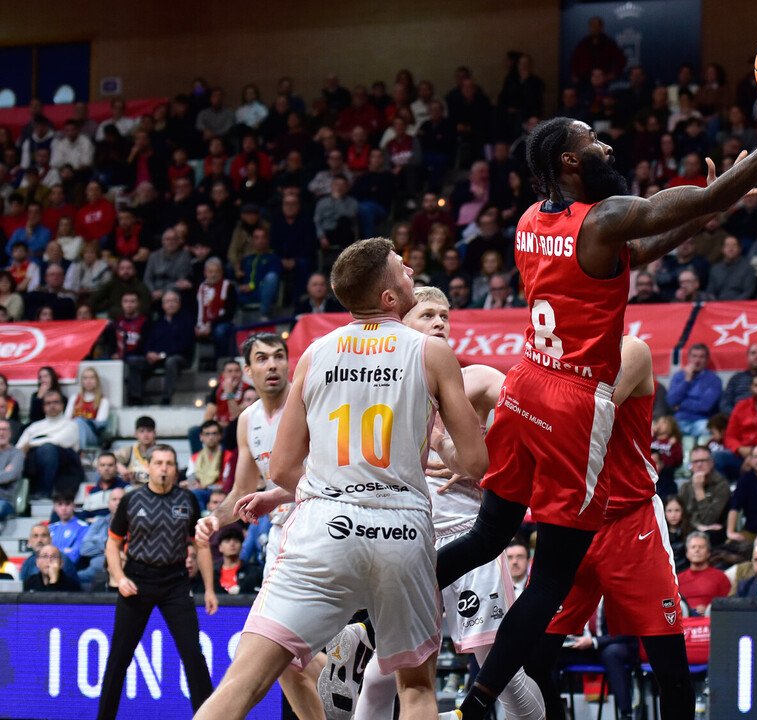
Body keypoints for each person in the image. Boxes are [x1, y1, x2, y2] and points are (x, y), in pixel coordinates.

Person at [434, 82, 757, 720]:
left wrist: (701, 214)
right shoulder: (603, 217)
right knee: (551, 579)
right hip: (570, 402)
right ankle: (479, 703)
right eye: (591, 140)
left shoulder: (534, 222)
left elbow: (639, 246)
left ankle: (391, 601)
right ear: (569, 162)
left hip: (524, 386)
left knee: (488, 534)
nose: (605, 143)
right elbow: (687, 202)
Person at [193, 238, 487, 720]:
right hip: (402, 529)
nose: (411, 269)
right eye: (402, 268)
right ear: (390, 297)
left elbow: (285, 469)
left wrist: (330, 480)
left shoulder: (313, 353)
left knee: (243, 683)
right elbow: (475, 463)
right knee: (415, 690)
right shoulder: (431, 353)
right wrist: (443, 446)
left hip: (324, 526)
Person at [346, 287, 544, 720]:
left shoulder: (475, 378)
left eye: (444, 316)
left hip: (469, 539)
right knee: (385, 672)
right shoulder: (378, 392)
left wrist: (481, 458)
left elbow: (533, 418)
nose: (439, 323)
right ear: (401, 324)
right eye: (428, 315)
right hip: (410, 542)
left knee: (499, 671)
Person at [529, 336, 693, 720]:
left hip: (632, 522)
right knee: (534, 661)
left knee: (670, 669)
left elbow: (586, 415)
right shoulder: (549, 362)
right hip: (573, 525)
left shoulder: (631, 349)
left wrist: (530, 404)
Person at [195, 332, 327, 718]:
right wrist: (213, 520)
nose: (272, 365)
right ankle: (350, 687)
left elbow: (328, 474)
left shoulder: (309, 403)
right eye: (263, 359)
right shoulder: (247, 421)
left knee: (275, 650)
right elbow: (242, 490)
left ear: (289, 363)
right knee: (285, 662)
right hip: (279, 540)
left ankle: (358, 687)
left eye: (279, 357)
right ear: (247, 371)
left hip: (319, 529)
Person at [97, 445, 217, 720]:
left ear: (176, 469)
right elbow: (112, 544)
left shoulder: (188, 500)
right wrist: (119, 577)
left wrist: (209, 588)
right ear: (149, 467)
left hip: (175, 582)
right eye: (159, 463)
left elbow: (201, 546)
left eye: (170, 464)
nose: (164, 468)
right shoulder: (131, 500)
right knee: (118, 659)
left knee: (194, 657)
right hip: (137, 580)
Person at [17, 389, 82, 498]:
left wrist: (30, 444)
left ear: (62, 405)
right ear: (43, 407)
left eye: (55, 402)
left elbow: (57, 441)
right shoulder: (34, 427)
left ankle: (44, 492)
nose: (52, 405)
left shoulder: (71, 425)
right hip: (34, 463)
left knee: (47, 449)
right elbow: (19, 448)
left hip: (65, 464)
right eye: (48, 403)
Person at [676, 445, 731, 545]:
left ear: (711, 463)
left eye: (703, 461)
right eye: (695, 462)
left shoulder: (722, 485)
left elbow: (709, 520)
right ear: (691, 466)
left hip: (715, 536)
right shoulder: (685, 487)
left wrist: (698, 489)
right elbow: (679, 517)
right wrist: (698, 527)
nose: (699, 465)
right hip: (689, 532)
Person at [667, 343, 721, 440]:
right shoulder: (679, 376)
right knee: (666, 431)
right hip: (679, 420)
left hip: (702, 421)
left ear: (707, 359)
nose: (697, 360)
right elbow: (671, 401)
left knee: (706, 430)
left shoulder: (714, 380)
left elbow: (705, 406)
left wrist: (680, 405)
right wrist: (686, 381)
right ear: (689, 358)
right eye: (694, 356)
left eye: (701, 357)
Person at [678, 531, 731, 614]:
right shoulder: (678, 579)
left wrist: (708, 610)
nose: (697, 550)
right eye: (693, 547)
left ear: (708, 553)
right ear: (687, 553)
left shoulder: (721, 577)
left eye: (701, 547)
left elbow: (727, 605)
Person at [65, 366, 110, 450]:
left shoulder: (103, 401)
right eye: (85, 378)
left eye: (92, 378)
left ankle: (80, 454)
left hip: (92, 435)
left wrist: (81, 421)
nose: (88, 381)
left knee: (79, 422)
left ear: (97, 381)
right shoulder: (74, 398)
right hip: (72, 431)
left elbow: (98, 425)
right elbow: (66, 419)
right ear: (82, 381)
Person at [48, 493, 90, 566]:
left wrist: (53, 553)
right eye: (60, 504)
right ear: (55, 508)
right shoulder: (51, 528)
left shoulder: (83, 527)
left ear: (73, 506)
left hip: (70, 570)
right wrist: (65, 550)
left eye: (67, 504)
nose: (64, 508)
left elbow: (74, 556)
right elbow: (44, 554)